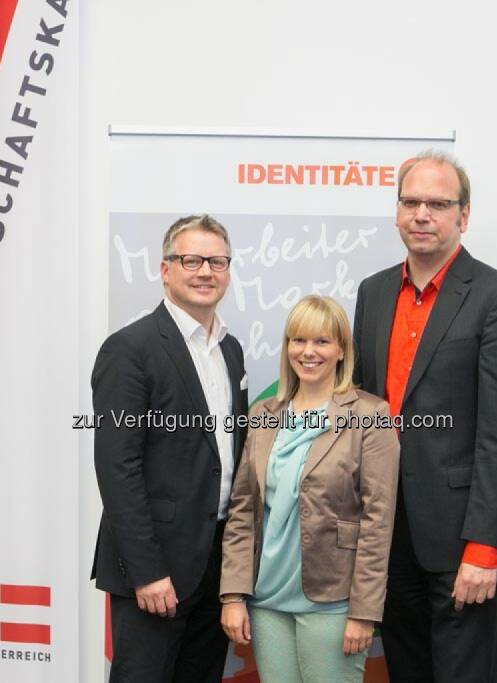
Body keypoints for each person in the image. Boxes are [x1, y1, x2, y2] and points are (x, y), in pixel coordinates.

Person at [351, 151, 497, 682]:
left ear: (464, 216)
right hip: (386, 533)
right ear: (397, 212)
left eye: (438, 203)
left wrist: (485, 546)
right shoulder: (374, 291)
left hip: (459, 538)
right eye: (411, 202)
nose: (422, 214)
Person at [90, 214, 248, 682]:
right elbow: (118, 468)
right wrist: (146, 571)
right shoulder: (129, 349)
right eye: (191, 260)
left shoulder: (230, 349)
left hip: (214, 567)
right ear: (165, 269)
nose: (205, 272)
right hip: (155, 570)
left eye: (217, 261)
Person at [219, 295, 400, 683]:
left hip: (333, 605)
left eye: (321, 341)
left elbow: (378, 521)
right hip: (266, 601)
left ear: (341, 350)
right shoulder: (263, 416)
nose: (308, 351)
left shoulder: (370, 416)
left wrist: (364, 612)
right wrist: (233, 595)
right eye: (298, 340)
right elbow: (242, 512)